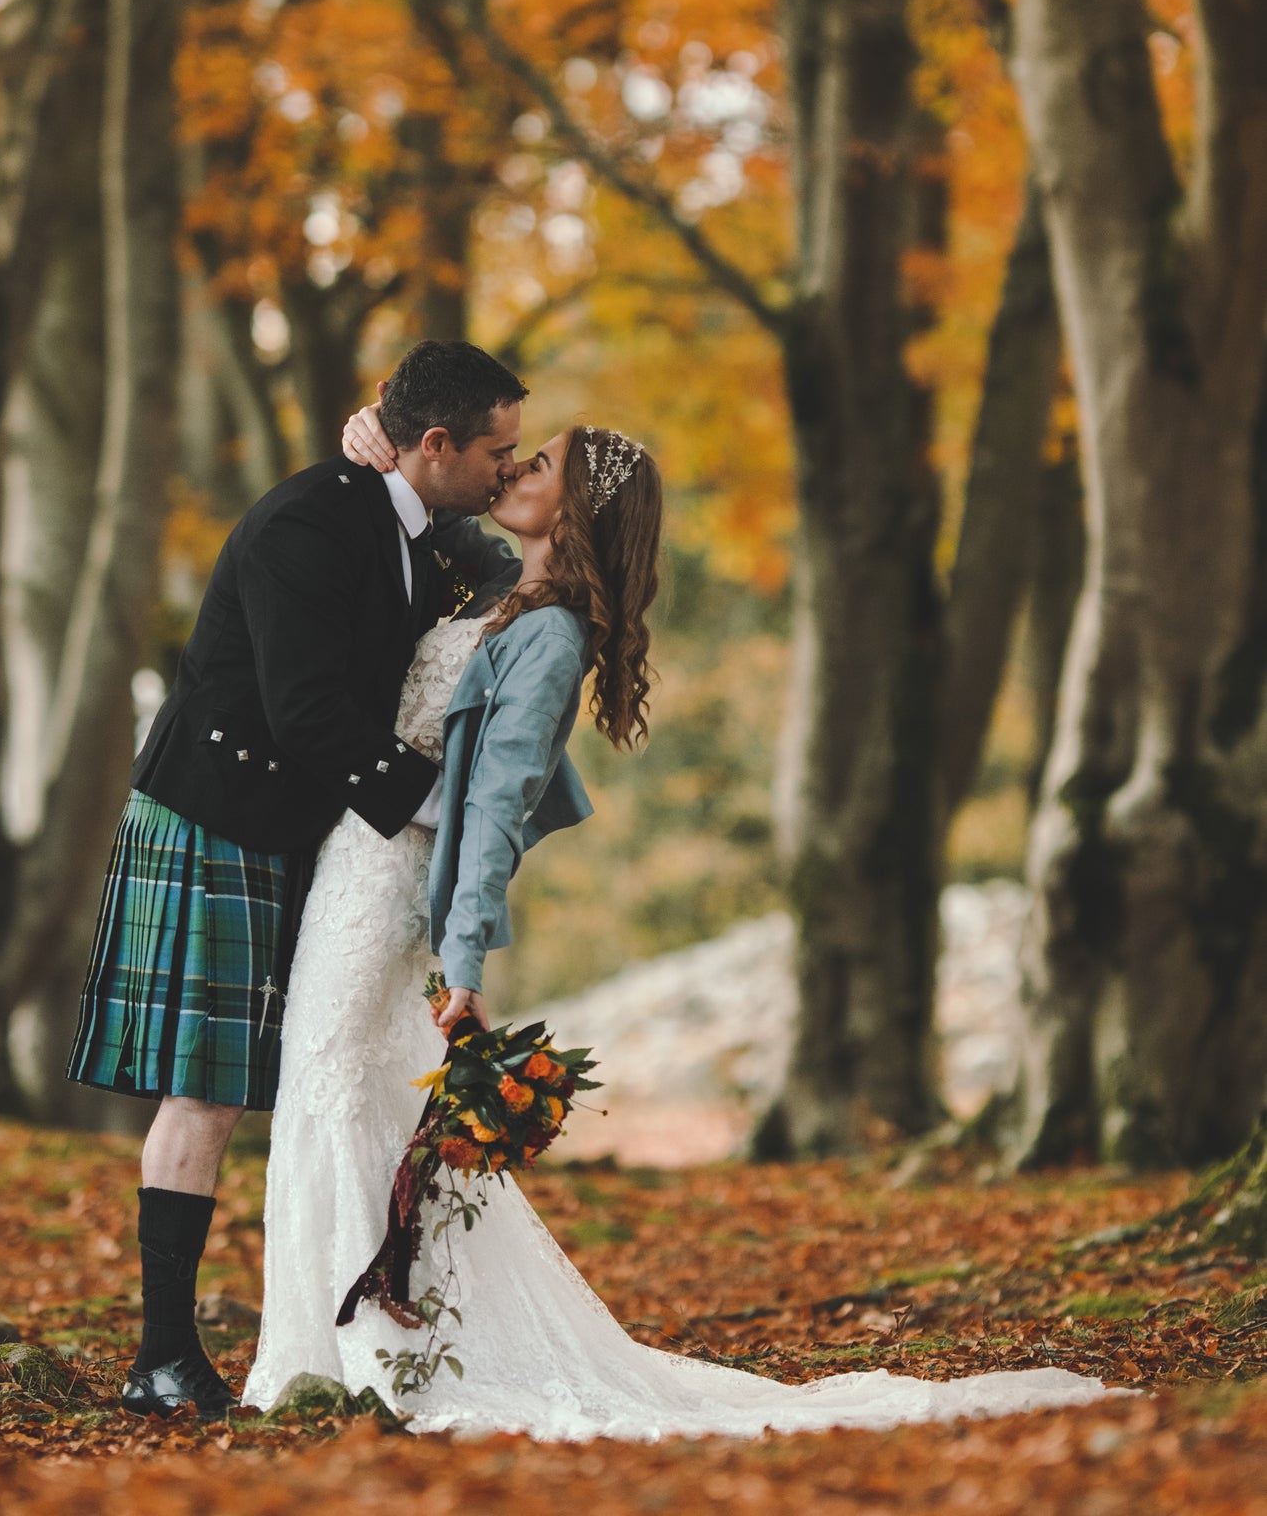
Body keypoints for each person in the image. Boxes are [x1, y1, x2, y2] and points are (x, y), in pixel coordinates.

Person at [242, 409, 1115, 1441]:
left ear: (577, 510)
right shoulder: (498, 582)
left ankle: (376, 1355)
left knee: (337, 1078)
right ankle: (318, 1341)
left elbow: (494, 812)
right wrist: (370, 437)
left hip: (393, 887)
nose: (516, 464)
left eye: (544, 462)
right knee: (337, 1082)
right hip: (354, 858)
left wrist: (465, 956)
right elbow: (412, 514)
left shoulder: (551, 634)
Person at [65, 340, 539, 1420]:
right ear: (434, 444)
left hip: (297, 826)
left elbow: (511, 563)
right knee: (208, 1088)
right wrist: (448, 810)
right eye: (497, 453)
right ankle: (163, 1355)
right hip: (212, 815)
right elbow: (305, 714)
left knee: (266, 1080)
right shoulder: (308, 523)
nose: (508, 472)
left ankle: (310, 1330)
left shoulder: (414, 524)